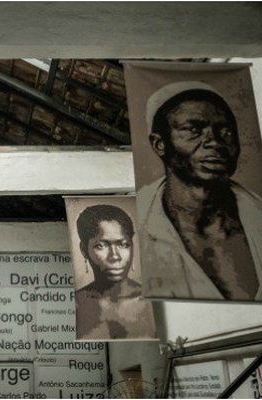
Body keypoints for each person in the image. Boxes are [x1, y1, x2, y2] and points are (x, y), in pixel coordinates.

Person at [139, 81, 262, 301]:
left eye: (226, 132)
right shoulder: (135, 228)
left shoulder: (257, 215)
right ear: (159, 144)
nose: (214, 142)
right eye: (193, 130)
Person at [75, 204, 155, 340]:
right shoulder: (76, 303)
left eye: (123, 244)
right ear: (84, 250)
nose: (115, 256)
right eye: (101, 245)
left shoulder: (153, 302)